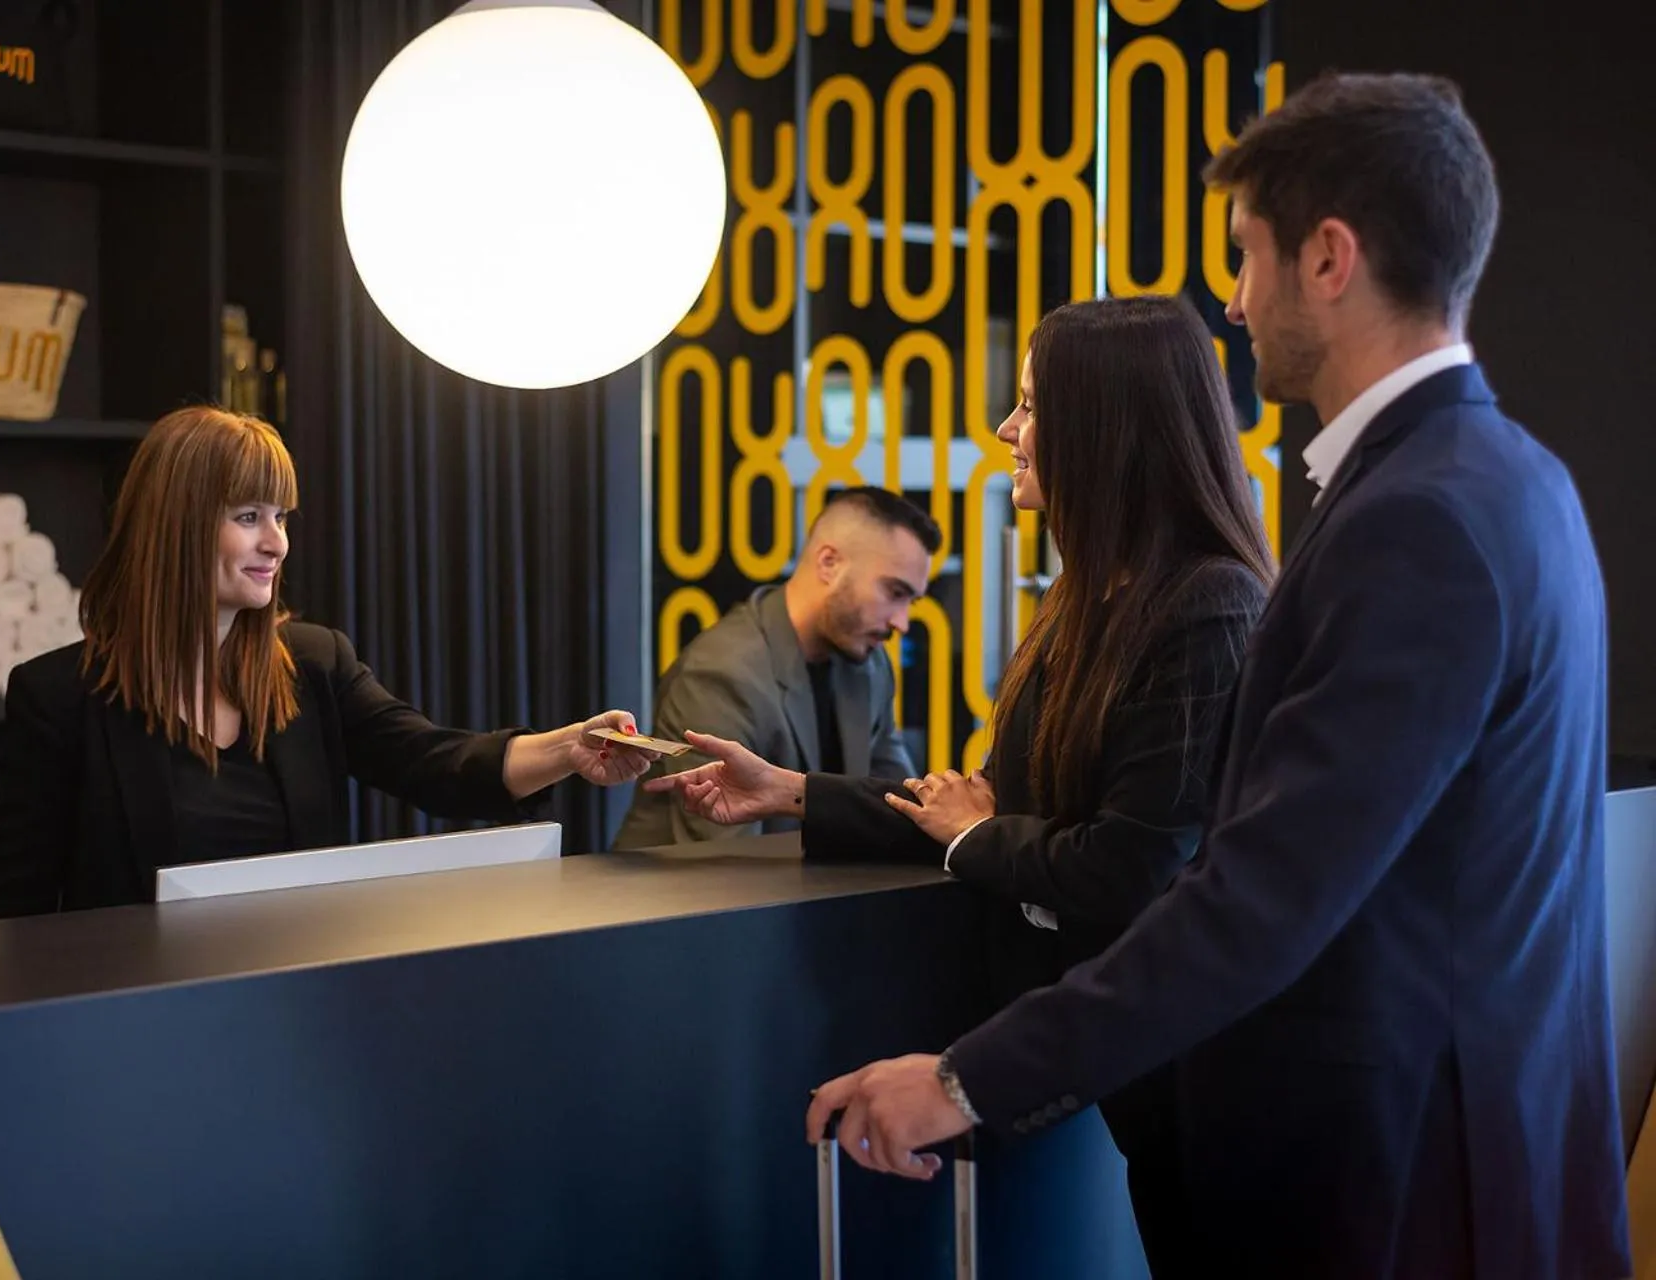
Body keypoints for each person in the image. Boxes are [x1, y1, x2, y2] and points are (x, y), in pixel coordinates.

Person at [799, 72, 1631, 1280]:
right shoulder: (1508, 477)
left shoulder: (1421, 520)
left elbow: (1257, 897)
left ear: (1330, 258)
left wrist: (960, 1077)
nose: (1236, 306)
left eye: (1249, 259)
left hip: (1391, 1191)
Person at [648, 295, 1272, 1272]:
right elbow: (984, 806)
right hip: (1142, 1084)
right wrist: (794, 793)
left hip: (1219, 1091)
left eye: (1030, 404)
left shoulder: (1208, 609)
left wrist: (984, 835)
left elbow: (1128, 865)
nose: (1007, 429)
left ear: (1108, 425)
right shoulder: (1089, 601)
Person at [0, 407, 655, 917]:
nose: (276, 542)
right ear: (177, 526)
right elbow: (15, 920)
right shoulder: (58, 699)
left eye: (282, 517)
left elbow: (436, 763)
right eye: (248, 516)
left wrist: (570, 747)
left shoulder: (313, 663)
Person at [611, 486, 938, 849]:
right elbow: (727, 860)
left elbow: (900, 808)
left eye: (911, 600)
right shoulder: (722, 674)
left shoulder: (868, 666)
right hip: (683, 898)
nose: (903, 622)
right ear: (829, 564)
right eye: (895, 592)